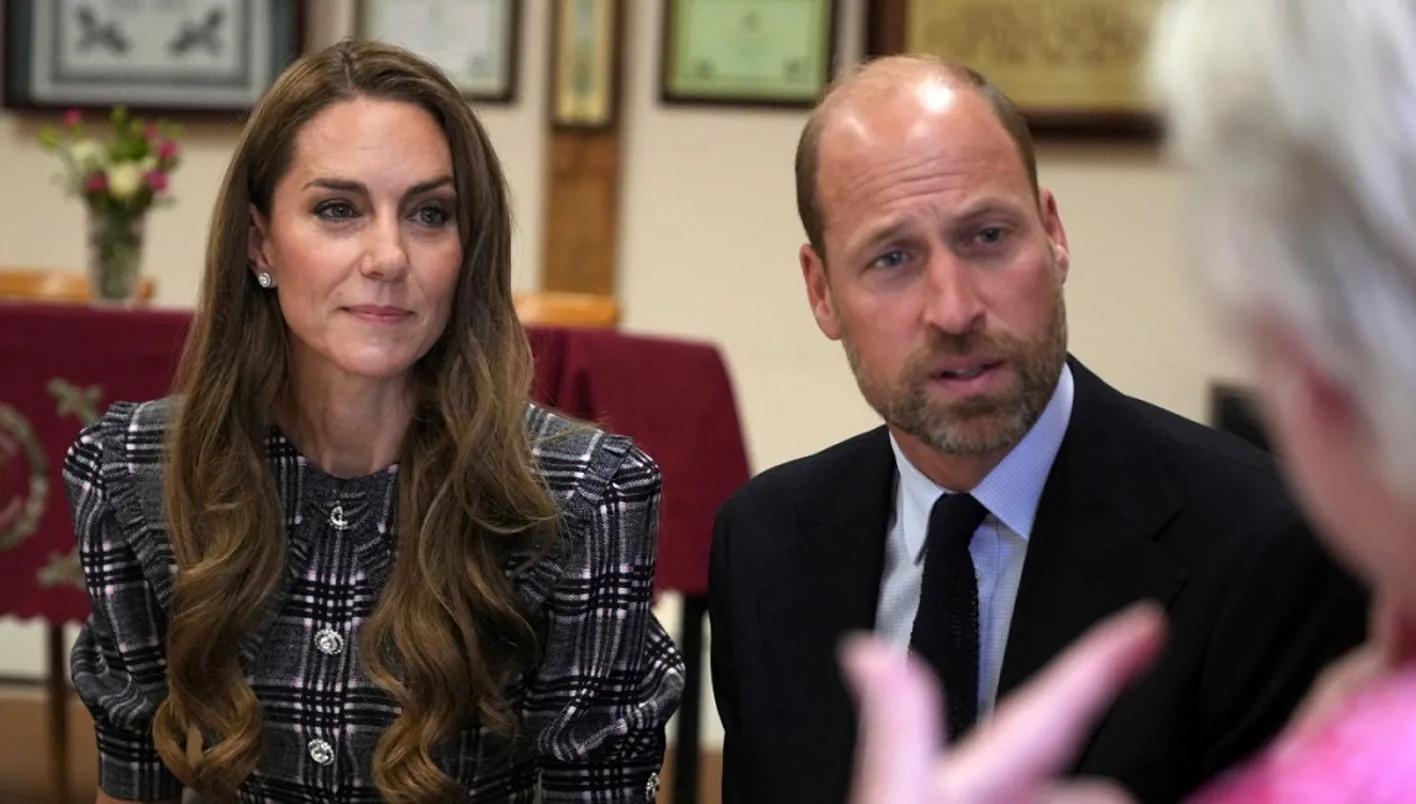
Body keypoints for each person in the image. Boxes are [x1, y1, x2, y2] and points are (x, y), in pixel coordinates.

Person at [707, 52, 1370, 804]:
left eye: (988, 236)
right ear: (822, 291)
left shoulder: (1265, 547)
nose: (954, 309)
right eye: (892, 259)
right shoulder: (762, 546)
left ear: (1053, 235)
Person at [63, 39, 683, 804]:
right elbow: (131, 786)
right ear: (260, 243)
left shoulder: (582, 495)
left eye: (429, 214)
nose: (388, 256)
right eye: (338, 210)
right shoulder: (134, 469)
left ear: (467, 248)